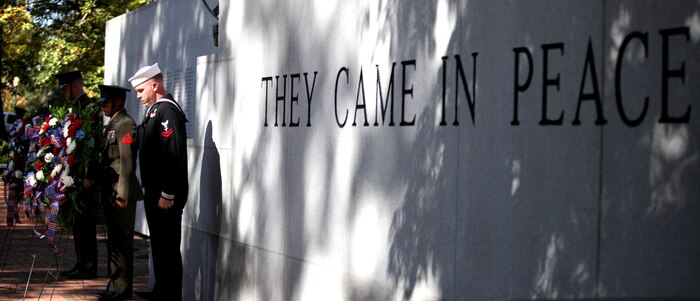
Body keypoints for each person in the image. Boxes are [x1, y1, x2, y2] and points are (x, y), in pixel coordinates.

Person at [128, 63, 188, 301]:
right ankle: (162, 292)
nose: (139, 96)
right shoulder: (155, 111)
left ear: (155, 85)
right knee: (161, 249)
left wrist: (168, 194)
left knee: (168, 250)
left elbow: (172, 153)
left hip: (165, 195)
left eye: (141, 91)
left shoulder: (167, 111)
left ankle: (169, 296)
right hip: (156, 192)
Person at [95, 85, 143, 301]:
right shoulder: (112, 126)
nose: (103, 105)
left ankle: (122, 291)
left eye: (107, 101)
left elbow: (126, 162)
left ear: (118, 102)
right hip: (111, 190)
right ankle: (115, 285)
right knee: (114, 241)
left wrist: (122, 194)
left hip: (120, 192)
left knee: (122, 242)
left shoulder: (125, 125)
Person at [55, 70, 100, 279]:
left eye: (65, 87)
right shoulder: (75, 109)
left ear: (74, 86)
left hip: (85, 176)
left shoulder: (90, 108)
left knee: (85, 220)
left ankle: (89, 265)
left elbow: (92, 144)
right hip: (73, 173)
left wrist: (89, 175)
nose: (64, 92)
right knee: (78, 221)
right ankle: (82, 261)